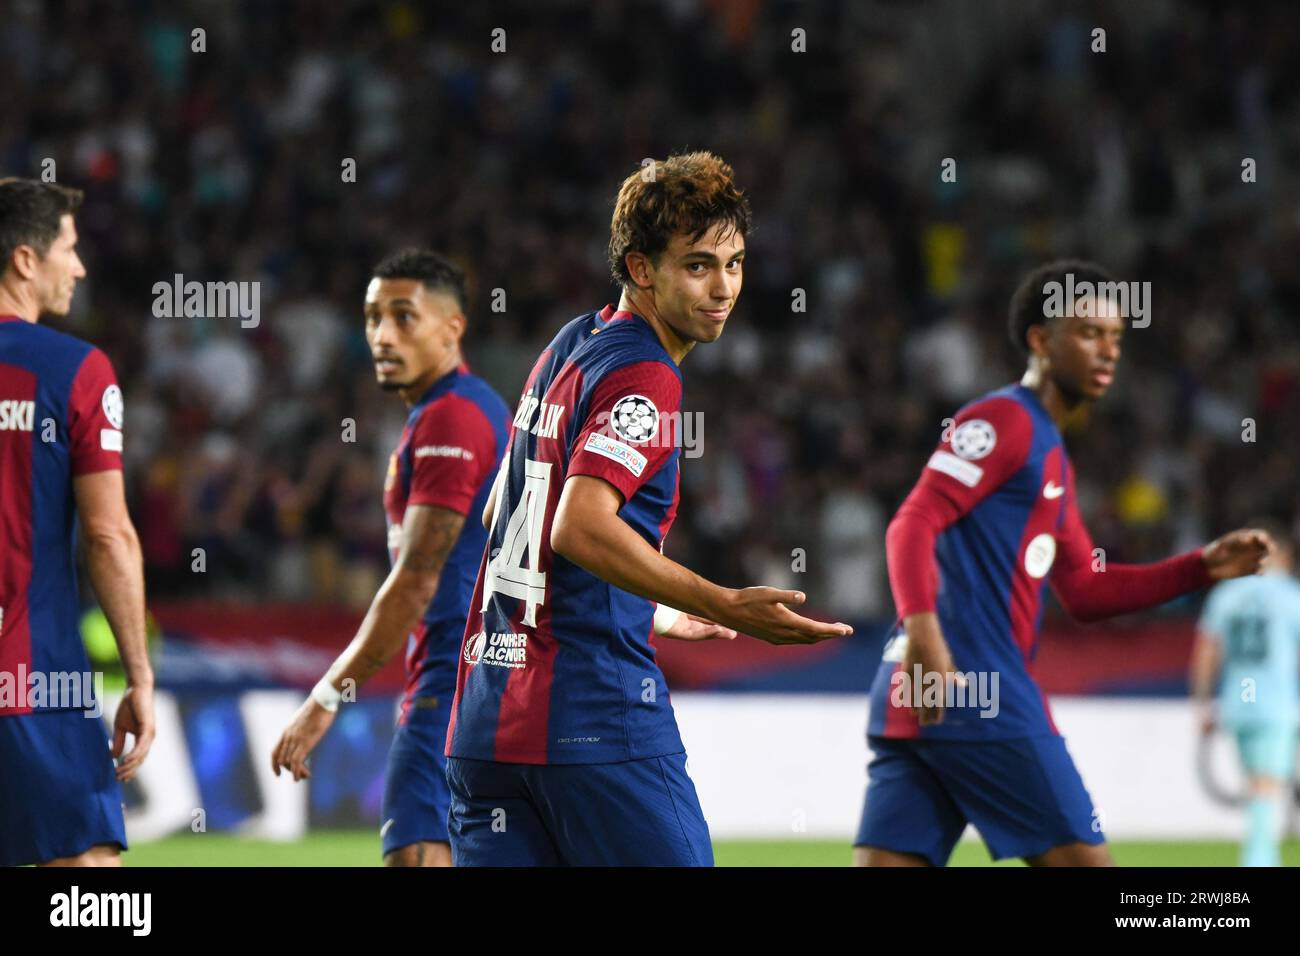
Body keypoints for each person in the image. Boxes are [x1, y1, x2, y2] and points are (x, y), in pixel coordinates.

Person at [444, 151, 852, 866]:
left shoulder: (570, 345)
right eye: (697, 266)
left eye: (733, 263)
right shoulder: (646, 373)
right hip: (592, 725)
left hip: (485, 730)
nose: (723, 287)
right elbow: (577, 525)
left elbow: (503, 515)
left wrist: (652, 608)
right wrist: (726, 603)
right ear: (641, 270)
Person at [855, 259, 1274, 867]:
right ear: (1040, 340)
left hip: (916, 696)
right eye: (1087, 332)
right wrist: (926, 634)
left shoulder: (1050, 452)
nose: (1107, 351)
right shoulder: (1004, 421)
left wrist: (1201, 568)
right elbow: (911, 522)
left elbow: (1085, 589)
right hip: (976, 688)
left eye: (1115, 338)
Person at [271, 249, 509, 867]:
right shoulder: (460, 410)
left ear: (453, 328)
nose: (382, 334)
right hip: (481, 676)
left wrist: (327, 696)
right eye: (373, 317)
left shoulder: (453, 418)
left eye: (404, 317)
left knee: (417, 857)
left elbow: (415, 584)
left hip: (453, 681)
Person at [0, 177, 154, 867]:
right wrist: (139, 677)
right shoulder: (76, 370)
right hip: (34, 680)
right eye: (69, 247)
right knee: (90, 887)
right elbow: (107, 534)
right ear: (25, 261)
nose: (81, 265)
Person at [1191, 521, 1300, 867]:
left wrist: (1203, 705)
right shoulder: (1290, 595)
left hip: (1239, 701)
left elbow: (1206, 653)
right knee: (1267, 785)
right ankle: (1259, 860)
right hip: (1277, 702)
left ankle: (1261, 857)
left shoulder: (1227, 595)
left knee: (1257, 784)